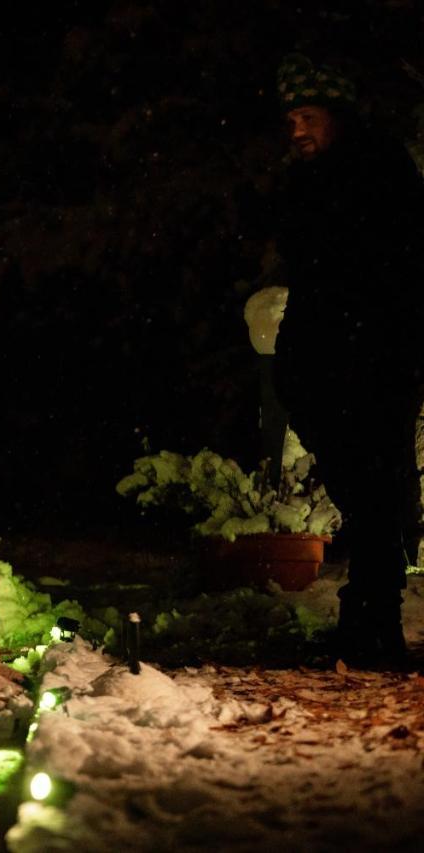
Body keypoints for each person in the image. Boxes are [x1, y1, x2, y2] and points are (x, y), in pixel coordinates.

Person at [248, 55, 424, 667]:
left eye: (309, 117)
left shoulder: (378, 172)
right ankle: (369, 623)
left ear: (338, 117)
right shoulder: (312, 178)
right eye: (292, 118)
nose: (297, 130)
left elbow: (389, 267)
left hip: (373, 360)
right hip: (330, 361)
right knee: (368, 494)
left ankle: (373, 626)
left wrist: (377, 345)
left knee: (378, 492)